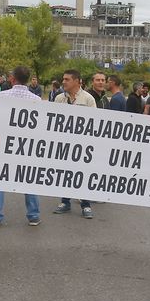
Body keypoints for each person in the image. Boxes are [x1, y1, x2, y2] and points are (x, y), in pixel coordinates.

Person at [0, 65, 43, 228]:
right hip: (26, 146)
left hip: (4, 143)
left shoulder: (1, 96)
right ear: (28, 80)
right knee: (28, 178)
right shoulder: (37, 100)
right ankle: (33, 215)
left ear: (12, 78)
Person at [52, 69, 96, 218]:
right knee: (64, 173)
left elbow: (95, 124)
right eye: (63, 79)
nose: (63, 82)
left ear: (77, 81)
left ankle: (86, 205)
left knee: (81, 174)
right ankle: (65, 202)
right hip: (64, 144)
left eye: (67, 79)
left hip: (82, 145)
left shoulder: (88, 99)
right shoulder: (59, 99)